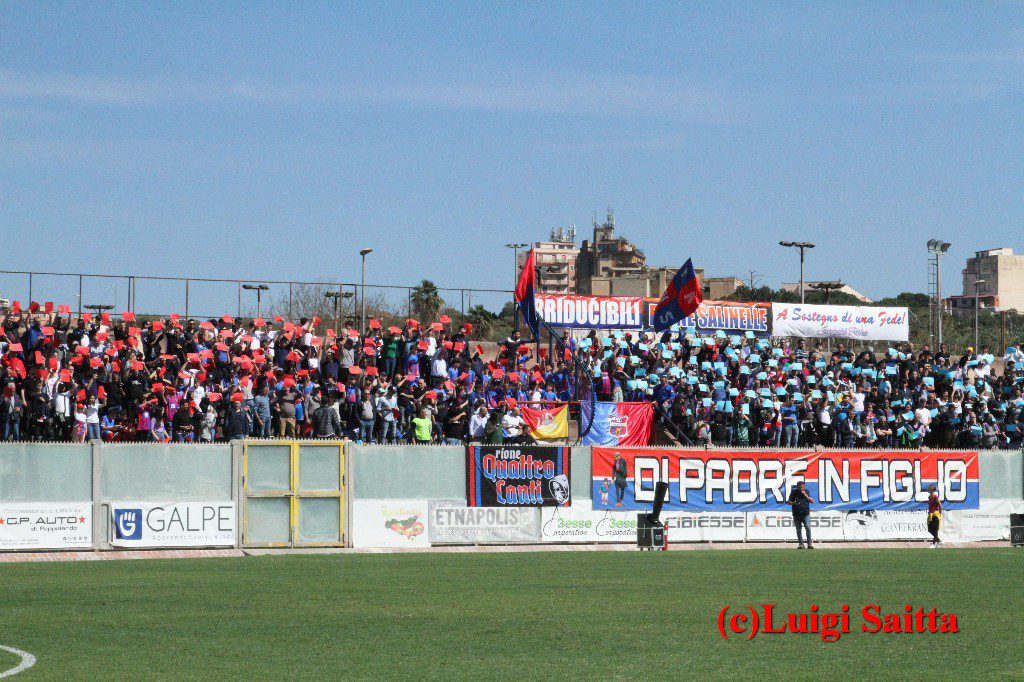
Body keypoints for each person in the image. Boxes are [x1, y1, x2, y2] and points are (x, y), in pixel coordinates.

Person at [786, 480, 814, 549]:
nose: (801, 489)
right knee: (798, 529)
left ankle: (809, 544)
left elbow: (812, 501)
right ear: (797, 487)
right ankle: (801, 544)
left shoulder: (806, 491)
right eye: (799, 487)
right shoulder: (794, 492)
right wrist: (795, 503)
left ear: (804, 486)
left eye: (802, 487)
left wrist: (805, 494)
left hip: (805, 513)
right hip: (796, 513)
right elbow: (788, 502)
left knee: (808, 527)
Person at [927, 483, 942, 548]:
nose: (928, 489)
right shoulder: (929, 497)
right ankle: (939, 541)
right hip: (930, 514)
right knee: (930, 529)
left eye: (929, 488)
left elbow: (940, 506)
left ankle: (933, 543)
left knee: (935, 529)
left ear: (932, 490)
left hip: (935, 514)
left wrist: (939, 515)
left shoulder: (935, 497)